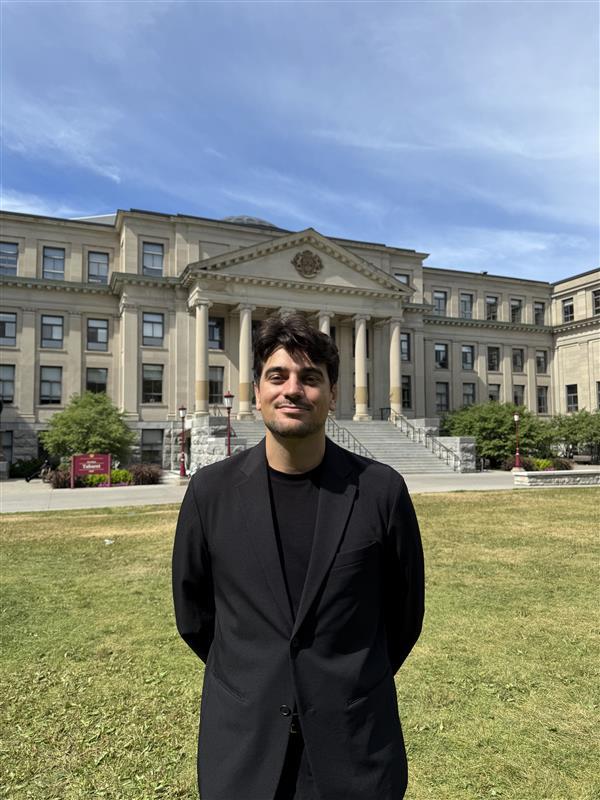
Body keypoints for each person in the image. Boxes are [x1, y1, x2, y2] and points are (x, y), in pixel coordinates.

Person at [172, 313, 425, 800]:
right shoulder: (211, 492)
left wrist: (341, 680)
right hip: (243, 746)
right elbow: (194, 614)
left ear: (333, 395)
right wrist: (259, 675)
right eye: (278, 376)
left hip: (353, 745)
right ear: (257, 390)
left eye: (310, 378)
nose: (293, 389)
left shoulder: (380, 491)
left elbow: (404, 613)